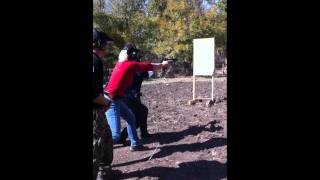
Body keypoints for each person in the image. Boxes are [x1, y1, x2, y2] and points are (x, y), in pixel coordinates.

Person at [104, 43, 170, 151]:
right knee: (115, 135)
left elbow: (146, 68)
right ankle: (97, 153)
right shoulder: (129, 65)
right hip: (111, 101)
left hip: (117, 99)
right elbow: (150, 66)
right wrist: (163, 64)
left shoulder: (122, 64)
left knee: (131, 118)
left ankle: (135, 144)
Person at [92, 28, 114, 180]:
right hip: (95, 111)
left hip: (97, 109)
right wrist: (106, 101)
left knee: (106, 138)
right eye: (105, 43)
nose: (106, 46)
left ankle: (104, 172)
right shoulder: (94, 60)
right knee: (97, 145)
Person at [119, 53, 152, 144]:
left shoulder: (126, 65)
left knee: (143, 111)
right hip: (128, 97)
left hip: (131, 96)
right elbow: (146, 75)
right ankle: (121, 137)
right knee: (135, 119)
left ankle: (144, 133)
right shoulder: (134, 67)